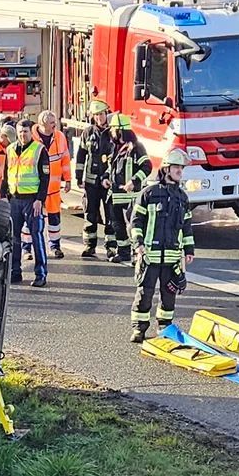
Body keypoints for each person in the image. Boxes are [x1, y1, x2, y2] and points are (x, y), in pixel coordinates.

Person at [130, 144, 195, 344]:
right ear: (166, 169)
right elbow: (136, 221)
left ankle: (164, 328)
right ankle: (139, 329)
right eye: (176, 167)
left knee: (169, 296)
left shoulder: (182, 198)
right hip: (150, 255)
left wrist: (189, 250)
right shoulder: (149, 193)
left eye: (182, 168)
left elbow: (186, 226)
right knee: (145, 294)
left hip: (172, 258)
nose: (179, 171)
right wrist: (138, 244)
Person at [1, 118, 49, 286]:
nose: (22, 135)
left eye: (25, 131)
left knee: (36, 236)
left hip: (31, 200)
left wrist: (40, 200)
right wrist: (3, 195)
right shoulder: (10, 149)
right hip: (15, 199)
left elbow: (45, 177)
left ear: (31, 132)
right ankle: (15, 272)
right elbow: (6, 174)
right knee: (14, 238)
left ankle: (40, 274)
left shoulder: (39, 150)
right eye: (20, 132)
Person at [108, 114, 150, 265]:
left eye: (113, 129)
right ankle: (123, 252)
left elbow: (147, 167)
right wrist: (106, 178)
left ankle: (136, 254)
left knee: (133, 225)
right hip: (115, 194)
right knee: (117, 224)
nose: (111, 132)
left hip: (131, 195)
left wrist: (133, 181)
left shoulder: (136, 147)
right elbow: (112, 168)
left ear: (120, 130)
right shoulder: (115, 147)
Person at [77, 99, 114, 258]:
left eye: (101, 114)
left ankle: (111, 247)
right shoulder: (88, 133)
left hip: (108, 182)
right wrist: (79, 177)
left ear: (107, 114)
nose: (99, 117)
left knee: (110, 215)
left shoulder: (113, 132)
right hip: (91, 182)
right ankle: (89, 246)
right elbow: (81, 155)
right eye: (96, 115)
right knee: (90, 214)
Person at [37, 110, 72, 258]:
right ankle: (27, 249)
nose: (55, 125)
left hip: (53, 189)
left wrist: (68, 179)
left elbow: (65, 159)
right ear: (42, 124)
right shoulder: (32, 138)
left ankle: (55, 246)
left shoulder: (59, 137)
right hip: (35, 188)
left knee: (54, 219)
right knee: (32, 220)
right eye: (52, 123)